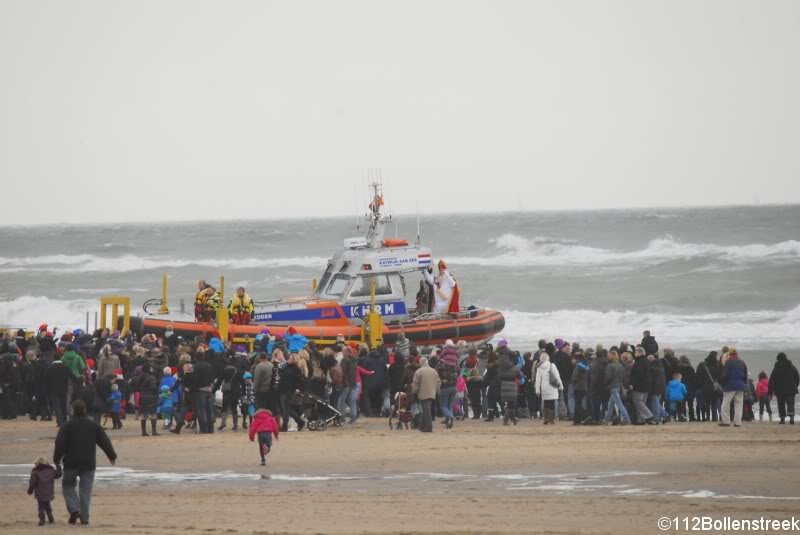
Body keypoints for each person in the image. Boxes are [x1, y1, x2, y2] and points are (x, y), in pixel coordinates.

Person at [53, 400, 117, 525]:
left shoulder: (66, 425)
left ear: (72, 410)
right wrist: (111, 455)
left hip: (70, 463)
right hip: (88, 463)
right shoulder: (93, 425)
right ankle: (84, 517)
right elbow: (104, 441)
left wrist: (56, 460)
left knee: (68, 487)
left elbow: (59, 444)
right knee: (85, 491)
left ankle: (74, 509)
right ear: (85, 410)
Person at [768, 352, 799, 425]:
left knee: (781, 404)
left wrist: (770, 392)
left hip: (779, 390)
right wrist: (796, 385)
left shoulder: (776, 368)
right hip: (791, 389)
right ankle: (791, 418)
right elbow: (797, 376)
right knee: (791, 403)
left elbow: (772, 380)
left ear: (778, 359)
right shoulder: (791, 366)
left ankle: (782, 419)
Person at [719, 348, 747, 427]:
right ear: (736, 353)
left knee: (725, 404)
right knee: (738, 405)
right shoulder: (742, 362)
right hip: (740, 386)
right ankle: (737, 422)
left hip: (729, 386)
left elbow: (724, 375)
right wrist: (743, 384)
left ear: (729, 354)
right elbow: (745, 375)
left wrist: (722, 384)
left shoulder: (728, 363)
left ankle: (726, 421)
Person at [28, 456, 61, 526]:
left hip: (40, 493)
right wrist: (58, 465)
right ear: (46, 463)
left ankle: (42, 520)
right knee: (47, 504)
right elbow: (59, 475)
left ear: (37, 463)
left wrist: (30, 491)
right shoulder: (51, 470)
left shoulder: (35, 471)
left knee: (41, 507)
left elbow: (32, 483)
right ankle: (50, 517)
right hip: (49, 492)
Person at [411, 357, 441, 433]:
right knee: (426, 410)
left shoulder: (419, 371)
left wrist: (414, 392)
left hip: (423, 393)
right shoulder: (434, 371)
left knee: (426, 411)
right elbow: (438, 382)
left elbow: (415, 383)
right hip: (432, 393)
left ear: (421, 363)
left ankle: (429, 427)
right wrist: (437, 391)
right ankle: (422, 427)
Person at [603, 350, 631, 425]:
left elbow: (608, 377)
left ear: (611, 356)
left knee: (619, 404)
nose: (607, 357)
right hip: (619, 386)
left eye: (608, 356)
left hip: (613, 387)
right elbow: (623, 377)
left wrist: (605, 384)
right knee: (610, 404)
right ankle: (606, 420)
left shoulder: (610, 366)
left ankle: (627, 419)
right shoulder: (620, 365)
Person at [436, 340, 460, 429]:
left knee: (443, 406)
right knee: (449, 405)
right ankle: (449, 423)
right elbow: (458, 374)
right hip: (454, 387)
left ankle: (450, 417)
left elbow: (436, 373)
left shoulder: (441, 363)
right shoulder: (456, 364)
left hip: (444, 386)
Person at [534, 352, 562, 425]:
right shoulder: (552, 365)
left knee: (546, 403)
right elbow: (557, 376)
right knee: (552, 404)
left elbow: (538, 380)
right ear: (548, 358)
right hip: (552, 387)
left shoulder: (539, 366)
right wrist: (561, 386)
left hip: (544, 388)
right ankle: (551, 420)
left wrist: (537, 390)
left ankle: (545, 419)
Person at [629, 347, 654, 425]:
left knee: (637, 401)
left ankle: (649, 416)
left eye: (636, 352)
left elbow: (637, 375)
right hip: (646, 385)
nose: (635, 353)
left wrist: (632, 384)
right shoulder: (645, 361)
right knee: (642, 402)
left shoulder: (639, 362)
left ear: (640, 353)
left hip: (640, 385)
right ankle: (641, 420)